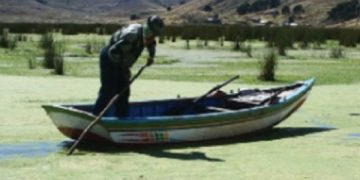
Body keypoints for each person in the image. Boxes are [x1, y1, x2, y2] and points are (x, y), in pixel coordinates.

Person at [93, 15, 165, 117]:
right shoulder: (132, 35)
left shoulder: (148, 36)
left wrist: (151, 56)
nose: (154, 37)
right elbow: (113, 52)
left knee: (124, 91)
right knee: (109, 90)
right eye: (154, 34)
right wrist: (124, 69)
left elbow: (151, 44)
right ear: (149, 29)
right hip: (110, 58)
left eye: (156, 35)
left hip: (120, 61)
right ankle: (96, 116)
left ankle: (121, 118)